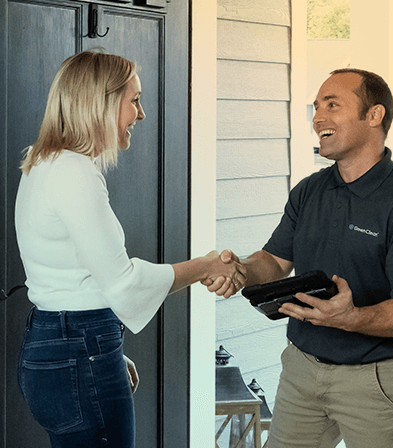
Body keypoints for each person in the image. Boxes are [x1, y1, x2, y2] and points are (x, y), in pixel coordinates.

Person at [15, 49, 245, 448]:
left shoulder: (42, 163)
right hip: (79, 349)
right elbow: (123, 282)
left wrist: (105, 352)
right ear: (101, 102)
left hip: (56, 346)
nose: (141, 114)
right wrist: (206, 264)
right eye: (134, 100)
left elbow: (74, 279)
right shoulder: (73, 172)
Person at [205, 69, 393, 448]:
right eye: (316, 106)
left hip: (374, 382)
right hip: (302, 369)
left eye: (332, 105)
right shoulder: (309, 191)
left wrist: (351, 319)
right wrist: (241, 270)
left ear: (374, 115)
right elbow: (273, 260)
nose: (318, 117)